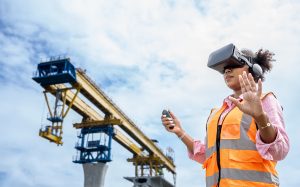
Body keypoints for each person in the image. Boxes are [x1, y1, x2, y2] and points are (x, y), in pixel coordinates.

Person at [161, 44, 289, 187]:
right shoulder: (216, 113)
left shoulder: (265, 100)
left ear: (253, 70)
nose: (227, 70)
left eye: (233, 65)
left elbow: (280, 150)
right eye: (224, 69)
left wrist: (260, 117)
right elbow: (208, 155)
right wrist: (180, 132)